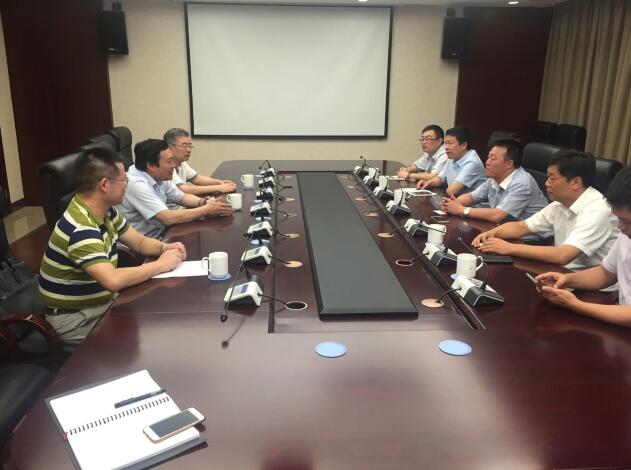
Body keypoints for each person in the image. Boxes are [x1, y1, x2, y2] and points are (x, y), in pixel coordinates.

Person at [39, 147, 186, 345]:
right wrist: (161, 265)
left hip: (101, 303)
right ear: (105, 185)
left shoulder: (106, 211)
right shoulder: (81, 228)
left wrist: (164, 248)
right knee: (148, 339)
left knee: (156, 321)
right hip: (75, 319)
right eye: (124, 179)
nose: (127, 183)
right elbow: (113, 280)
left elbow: (139, 242)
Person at [472, 150, 619, 270]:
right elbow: (521, 227)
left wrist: (509, 248)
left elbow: (563, 255)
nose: (547, 183)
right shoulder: (560, 204)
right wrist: (492, 233)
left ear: (576, 182)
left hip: (594, 288)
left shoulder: (598, 210)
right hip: (562, 273)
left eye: (552, 178)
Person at [535, 167, 631, 327]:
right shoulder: (626, 234)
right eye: (618, 219)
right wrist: (567, 279)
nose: (620, 226)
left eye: (626, 221)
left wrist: (575, 305)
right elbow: (606, 273)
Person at [118, 139, 234, 239]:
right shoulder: (136, 184)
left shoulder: (158, 175)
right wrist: (206, 210)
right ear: (151, 166)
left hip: (163, 233)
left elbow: (182, 197)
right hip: (144, 245)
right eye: (169, 161)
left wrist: (204, 202)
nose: (174, 165)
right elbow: (168, 218)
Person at [441, 139, 548, 223]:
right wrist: (453, 204)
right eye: (488, 157)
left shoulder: (522, 183)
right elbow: (471, 197)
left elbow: (498, 215)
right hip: (503, 228)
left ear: (509, 164)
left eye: (493, 158)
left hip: (531, 239)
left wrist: (462, 210)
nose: (487, 162)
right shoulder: (494, 178)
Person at [417, 126, 485, 197]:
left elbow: (451, 191)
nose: (446, 147)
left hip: (472, 203)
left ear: (463, 145)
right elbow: (440, 178)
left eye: (450, 143)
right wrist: (429, 183)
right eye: (445, 143)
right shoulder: (452, 157)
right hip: (456, 200)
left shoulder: (472, 162)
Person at [164, 128, 236, 195]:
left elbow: (197, 179)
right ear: (170, 147)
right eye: (185, 146)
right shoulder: (166, 165)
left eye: (190, 146)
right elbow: (184, 190)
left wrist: (220, 183)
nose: (189, 150)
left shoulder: (181, 162)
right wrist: (218, 188)